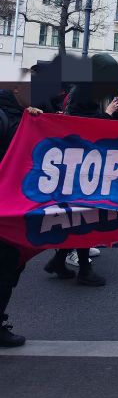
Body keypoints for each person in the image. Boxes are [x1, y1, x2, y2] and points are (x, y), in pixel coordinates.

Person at [43, 53, 118, 287]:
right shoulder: (86, 92)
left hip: (81, 162)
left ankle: (59, 260)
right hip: (82, 164)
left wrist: (115, 115)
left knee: (80, 216)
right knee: (84, 215)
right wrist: (108, 114)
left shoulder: (86, 89)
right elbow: (87, 128)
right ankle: (84, 269)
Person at [0, 75, 45, 346]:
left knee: (9, 269)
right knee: (5, 269)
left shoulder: (20, 116)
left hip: (14, 208)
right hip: (6, 209)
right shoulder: (6, 118)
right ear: (15, 88)